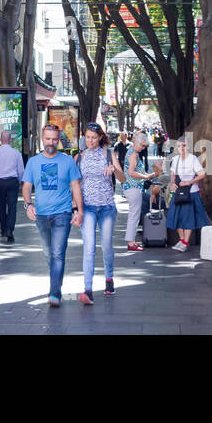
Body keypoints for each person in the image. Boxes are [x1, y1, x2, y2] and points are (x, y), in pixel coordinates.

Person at [22, 124, 83, 306]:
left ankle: (54, 292)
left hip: (62, 214)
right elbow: (26, 186)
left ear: (58, 140)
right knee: (49, 254)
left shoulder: (67, 161)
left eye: (54, 139)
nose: (51, 142)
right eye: (48, 139)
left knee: (57, 253)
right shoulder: (33, 162)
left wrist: (79, 211)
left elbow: (76, 187)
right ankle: (57, 282)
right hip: (41, 215)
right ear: (42, 138)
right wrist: (28, 204)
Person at [75, 123, 125, 302]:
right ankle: (87, 289)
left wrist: (114, 170)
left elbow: (123, 179)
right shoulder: (79, 157)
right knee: (89, 248)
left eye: (94, 138)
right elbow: (75, 186)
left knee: (106, 246)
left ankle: (109, 279)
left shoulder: (109, 154)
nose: (90, 141)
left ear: (100, 138)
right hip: (87, 207)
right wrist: (76, 209)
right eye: (87, 137)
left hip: (106, 207)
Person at [165, 138, 211, 252]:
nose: (182, 148)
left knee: (188, 218)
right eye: (179, 146)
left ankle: (185, 242)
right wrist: (172, 183)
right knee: (177, 217)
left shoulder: (193, 159)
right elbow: (172, 174)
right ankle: (182, 240)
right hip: (178, 192)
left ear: (188, 147)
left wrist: (189, 182)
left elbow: (202, 174)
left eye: (184, 145)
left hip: (191, 193)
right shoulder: (175, 159)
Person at [123, 132, 164, 251]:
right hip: (133, 187)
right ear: (136, 143)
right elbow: (131, 172)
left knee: (134, 215)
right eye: (143, 145)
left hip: (131, 187)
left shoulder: (131, 152)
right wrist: (146, 177)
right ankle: (131, 242)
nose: (143, 148)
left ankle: (131, 241)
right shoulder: (134, 155)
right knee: (134, 216)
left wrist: (147, 176)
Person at [0, 129, 25, 243]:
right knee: (12, 207)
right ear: (11, 140)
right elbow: (21, 170)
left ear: (0, 140)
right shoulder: (16, 153)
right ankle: (10, 231)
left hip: (0, 182)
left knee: (2, 206)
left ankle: (3, 229)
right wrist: (20, 182)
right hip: (12, 181)